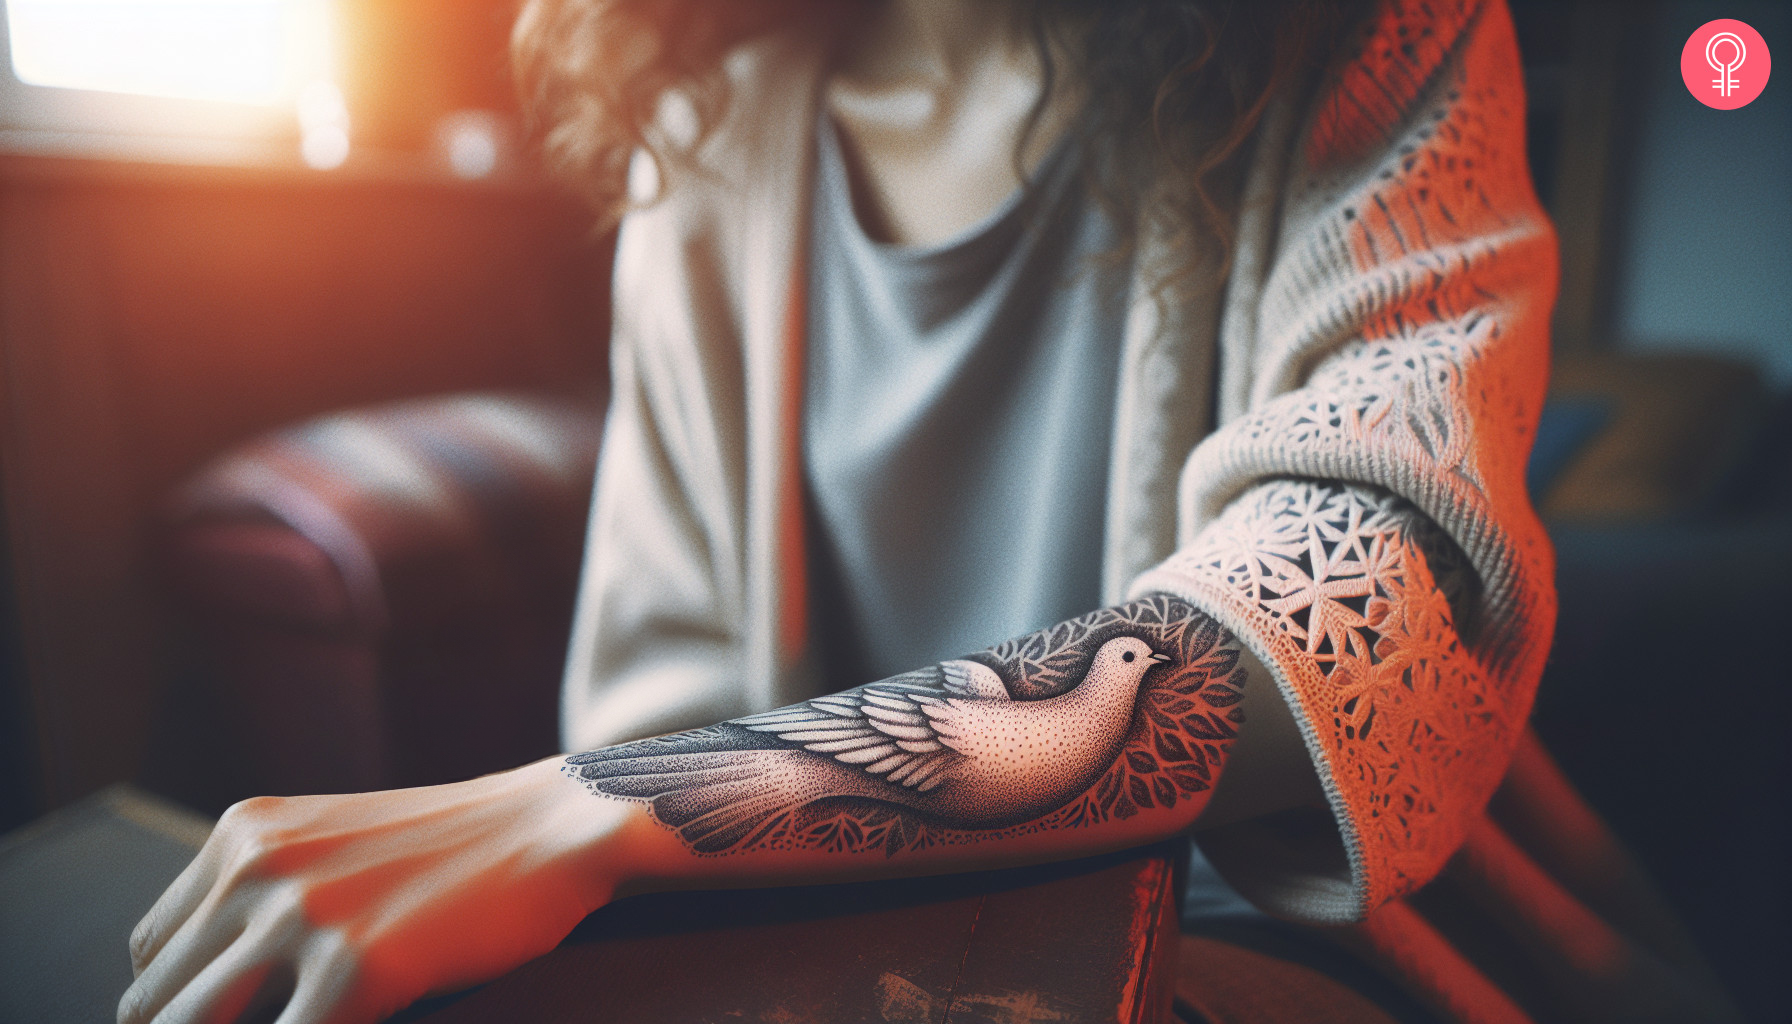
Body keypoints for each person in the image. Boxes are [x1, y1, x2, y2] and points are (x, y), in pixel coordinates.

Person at [119, 0, 1559, 1021]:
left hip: (1286, 935)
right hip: (841, 942)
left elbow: (1361, 608)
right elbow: (660, 679)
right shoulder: (709, 122)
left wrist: (601, 806)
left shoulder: (1373, 33)